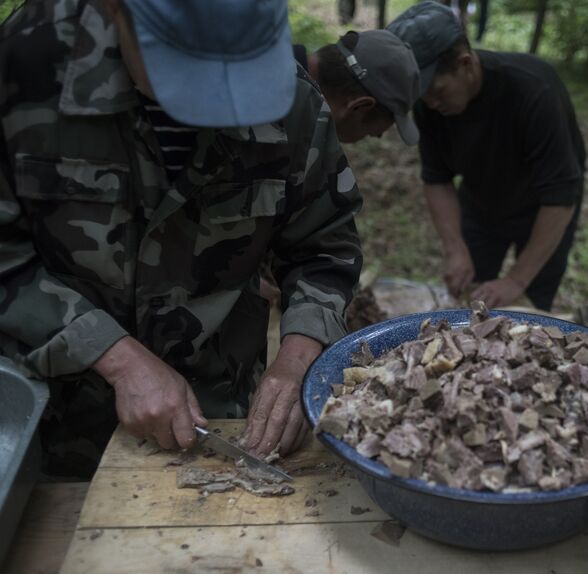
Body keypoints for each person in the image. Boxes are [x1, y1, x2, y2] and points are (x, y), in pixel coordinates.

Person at [0, 0, 364, 478]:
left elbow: (324, 247)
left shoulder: (293, 98)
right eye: (189, 65)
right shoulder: (23, 62)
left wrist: (299, 360)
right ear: (115, 11)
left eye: (240, 68)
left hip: (221, 409)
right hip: (56, 421)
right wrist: (118, 359)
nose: (221, 95)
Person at [387, 1, 586, 311]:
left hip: (544, 208)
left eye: (438, 91)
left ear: (466, 63)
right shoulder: (430, 104)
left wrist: (517, 280)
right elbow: (436, 179)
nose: (432, 102)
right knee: (471, 295)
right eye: (422, 95)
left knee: (528, 306)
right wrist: (455, 248)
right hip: (480, 203)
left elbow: (561, 197)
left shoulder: (534, 91)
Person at [293, 30, 421, 145]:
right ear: (359, 107)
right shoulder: (279, 124)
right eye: (369, 134)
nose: (378, 136)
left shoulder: (283, 76)